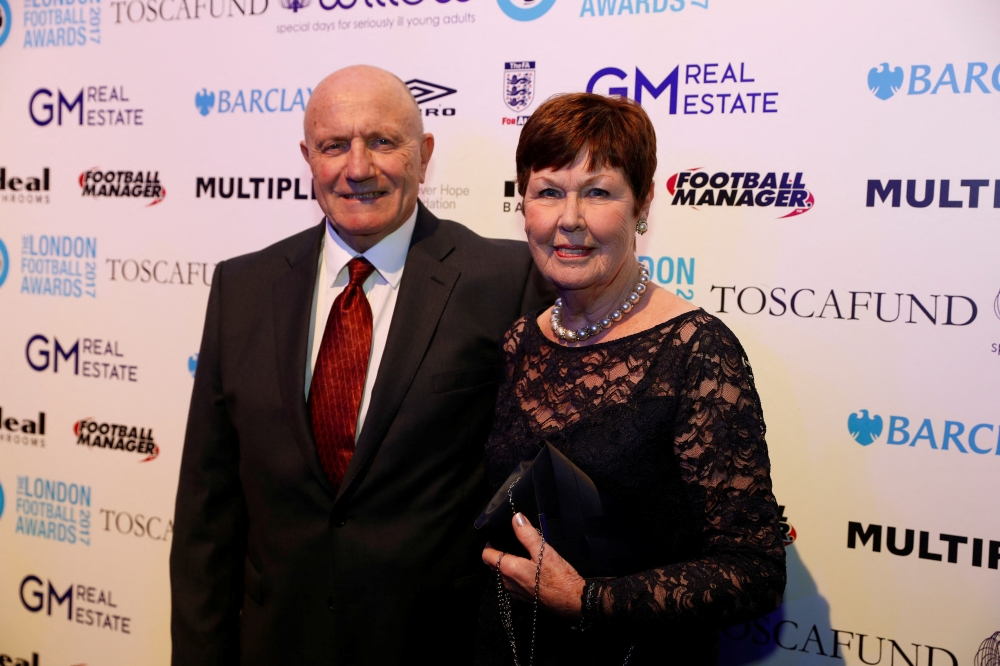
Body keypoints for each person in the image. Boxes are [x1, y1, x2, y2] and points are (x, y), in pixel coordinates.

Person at [169, 65, 553, 666]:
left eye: (381, 141)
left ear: (424, 154)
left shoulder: (506, 282)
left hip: (435, 649)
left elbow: (534, 496)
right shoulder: (242, 287)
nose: (357, 168)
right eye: (333, 146)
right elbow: (206, 517)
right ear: (307, 157)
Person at [479, 93, 786, 665]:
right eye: (549, 191)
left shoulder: (697, 350)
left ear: (643, 203)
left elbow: (755, 570)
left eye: (598, 192)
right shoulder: (522, 340)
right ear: (523, 205)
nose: (570, 219)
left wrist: (588, 600)